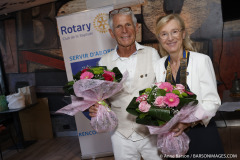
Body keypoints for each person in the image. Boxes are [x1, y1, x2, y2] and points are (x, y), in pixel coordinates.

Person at [89, 7, 162, 160]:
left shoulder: (152, 54)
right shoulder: (104, 62)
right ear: (111, 33)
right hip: (121, 135)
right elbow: (102, 99)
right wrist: (98, 107)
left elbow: (162, 89)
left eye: (128, 25)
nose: (124, 30)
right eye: (118, 26)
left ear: (136, 28)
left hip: (150, 131)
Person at [154, 14, 225, 159]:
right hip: (173, 137)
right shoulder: (159, 65)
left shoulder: (201, 61)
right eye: (164, 34)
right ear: (160, 38)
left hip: (202, 134)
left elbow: (213, 102)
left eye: (175, 31)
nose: (170, 38)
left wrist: (187, 123)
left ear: (183, 33)